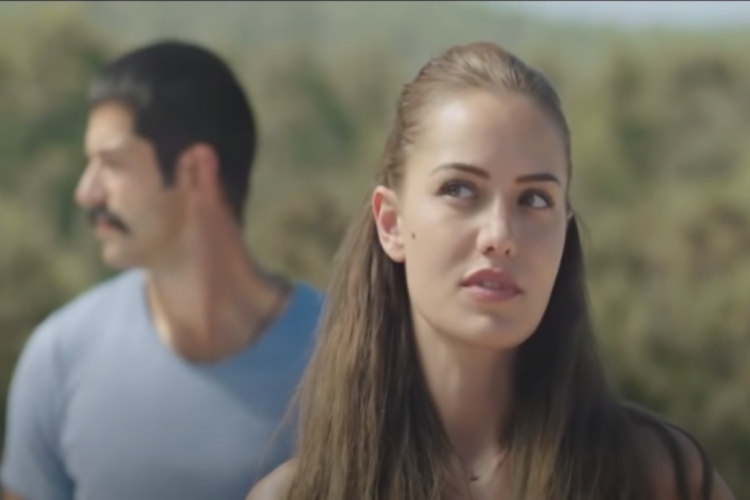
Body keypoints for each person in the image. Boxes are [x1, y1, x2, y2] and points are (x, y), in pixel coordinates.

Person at [247, 41, 736, 500]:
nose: (500, 235)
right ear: (391, 223)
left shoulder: (658, 477)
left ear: (564, 230)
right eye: (460, 190)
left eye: (534, 199)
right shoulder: (303, 493)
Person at [1, 41, 323, 500]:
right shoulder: (58, 357)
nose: (86, 192)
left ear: (195, 170)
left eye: (112, 164)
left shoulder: (347, 355)